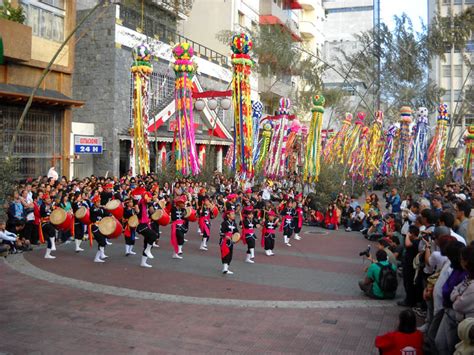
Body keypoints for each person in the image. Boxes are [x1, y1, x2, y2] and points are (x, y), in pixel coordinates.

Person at [398, 225, 420, 307]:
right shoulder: (416, 241)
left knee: (409, 283)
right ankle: (409, 300)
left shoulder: (416, 242)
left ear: (413, 234)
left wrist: (407, 235)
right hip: (408, 264)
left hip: (411, 266)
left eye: (410, 233)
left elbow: (407, 244)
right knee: (407, 283)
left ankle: (409, 301)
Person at [135, 192, 159, 268]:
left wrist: (155, 204)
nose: (150, 198)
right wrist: (151, 200)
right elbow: (143, 200)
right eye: (149, 197)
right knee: (154, 236)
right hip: (141, 225)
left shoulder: (147, 204)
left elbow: (152, 212)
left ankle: (143, 262)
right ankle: (147, 250)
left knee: (147, 243)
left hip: (146, 224)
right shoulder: (142, 202)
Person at [219, 210, 239, 274]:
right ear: (228, 215)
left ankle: (226, 268)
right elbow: (221, 232)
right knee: (225, 254)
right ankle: (225, 268)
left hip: (231, 241)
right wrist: (225, 236)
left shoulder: (234, 223)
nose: (234, 215)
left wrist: (236, 236)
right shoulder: (224, 223)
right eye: (232, 214)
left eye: (234, 214)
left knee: (230, 255)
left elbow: (236, 232)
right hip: (224, 240)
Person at [39, 194, 57, 259]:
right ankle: (53, 245)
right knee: (51, 228)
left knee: (49, 239)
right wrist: (48, 209)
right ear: (44, 200)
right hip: (44, 223)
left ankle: (47, 254)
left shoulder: (51, 206)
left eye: (49, 198)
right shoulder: (42, 206)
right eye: (47, 199)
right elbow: (43, 214)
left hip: (49, 223)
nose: (49, 200)